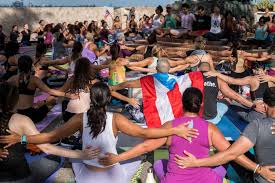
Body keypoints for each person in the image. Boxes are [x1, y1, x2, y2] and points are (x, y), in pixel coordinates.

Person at [0, 82, 197, 183]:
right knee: (140, 155)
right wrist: (174, 129)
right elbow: (145, 133)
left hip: (87, 177)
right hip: (113, 177)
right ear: (108, 100)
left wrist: (23, 138)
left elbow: (50, 137)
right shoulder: (117, 119)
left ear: (91, 98)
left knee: (76, 157)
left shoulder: (80, 118)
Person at [98, 87, 274, 183]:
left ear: (182, 104)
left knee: (159, 162)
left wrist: (117, 158)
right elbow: (232, 153)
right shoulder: (210, 128)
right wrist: (258, 168)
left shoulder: (170, 127)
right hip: (206, 179)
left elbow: (145, 146)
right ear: (201, 105)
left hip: (174, 180)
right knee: (222, 164)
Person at [0, 82, 100, 183]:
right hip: (20, 177)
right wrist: (81, 155)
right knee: (53, 160)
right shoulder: (21, 120)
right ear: (15, 100)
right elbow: (47, 147)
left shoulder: (19, 119)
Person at [174, 87, 275, 183]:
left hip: (262, 178)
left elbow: (230, 154)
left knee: (230, 149)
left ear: (264, 106)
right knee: (231, 145)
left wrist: (196, 162)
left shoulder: (258, 126)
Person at [7, 55, 76, 123]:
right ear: (31, 66)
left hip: (17, 114)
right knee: (52, 100)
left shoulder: (12, 79)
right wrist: (68, 95)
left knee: (41, 102)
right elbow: (51, 91)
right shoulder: (34, 79)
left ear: (19, 66)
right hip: (31, 115)